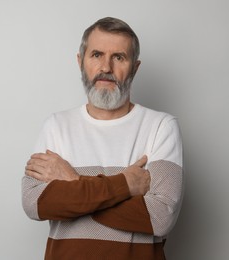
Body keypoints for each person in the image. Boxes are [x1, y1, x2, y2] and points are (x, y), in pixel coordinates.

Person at [21, 17, 183, 260]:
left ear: (135, 67)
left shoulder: (160, 126)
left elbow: (159, 218)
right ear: (80, 61)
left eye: (119, 57)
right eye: (96, 54)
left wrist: (73, 180)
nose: (106, 67)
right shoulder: (56, 126)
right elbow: (35, 204)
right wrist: (125, 185)